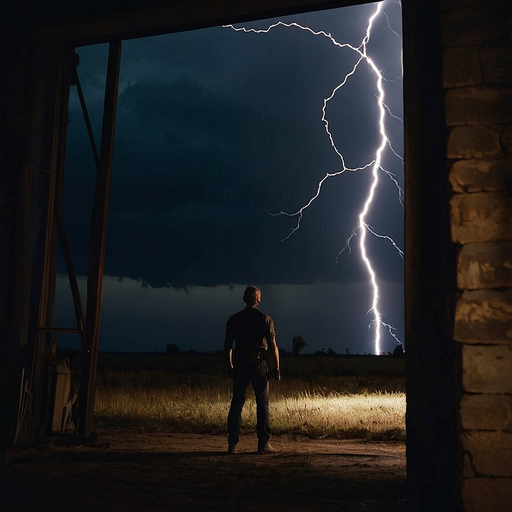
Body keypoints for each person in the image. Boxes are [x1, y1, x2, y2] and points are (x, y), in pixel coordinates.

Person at [224, 286, 280, 454]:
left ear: (244, 299)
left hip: (241, 364)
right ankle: (263, 443)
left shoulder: (234, 319)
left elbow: (228, 347)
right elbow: (273, 347)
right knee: (262, 404)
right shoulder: (265, 319)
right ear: (258, 300)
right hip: (258, 365)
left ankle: (232, 444)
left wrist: (230, 366)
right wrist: (276, 367)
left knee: (237, 403)